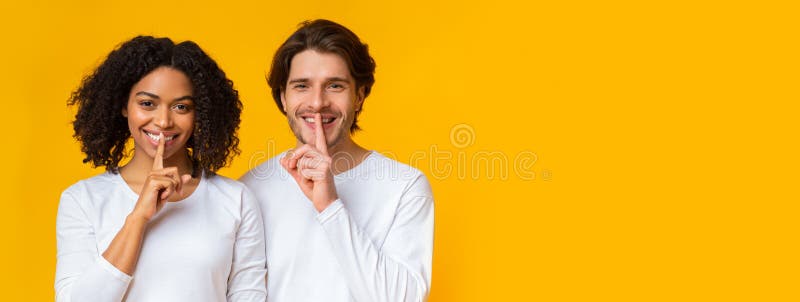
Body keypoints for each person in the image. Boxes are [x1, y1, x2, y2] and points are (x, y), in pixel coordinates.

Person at [56, 36, 266, 302]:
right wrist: (138, 218)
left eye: (181, 107)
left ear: (199, 113)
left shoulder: (235, 199)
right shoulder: (83, 200)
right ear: (124, 106)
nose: (164, 121)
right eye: (147, 104)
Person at [240, 19, 434, 302]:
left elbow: (401, 298)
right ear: (283, 97)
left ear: (359, 95)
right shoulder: (250, 191)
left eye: (335, 86)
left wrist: (329, 206)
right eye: (302, 86)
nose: (317, 102)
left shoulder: (405, 187)